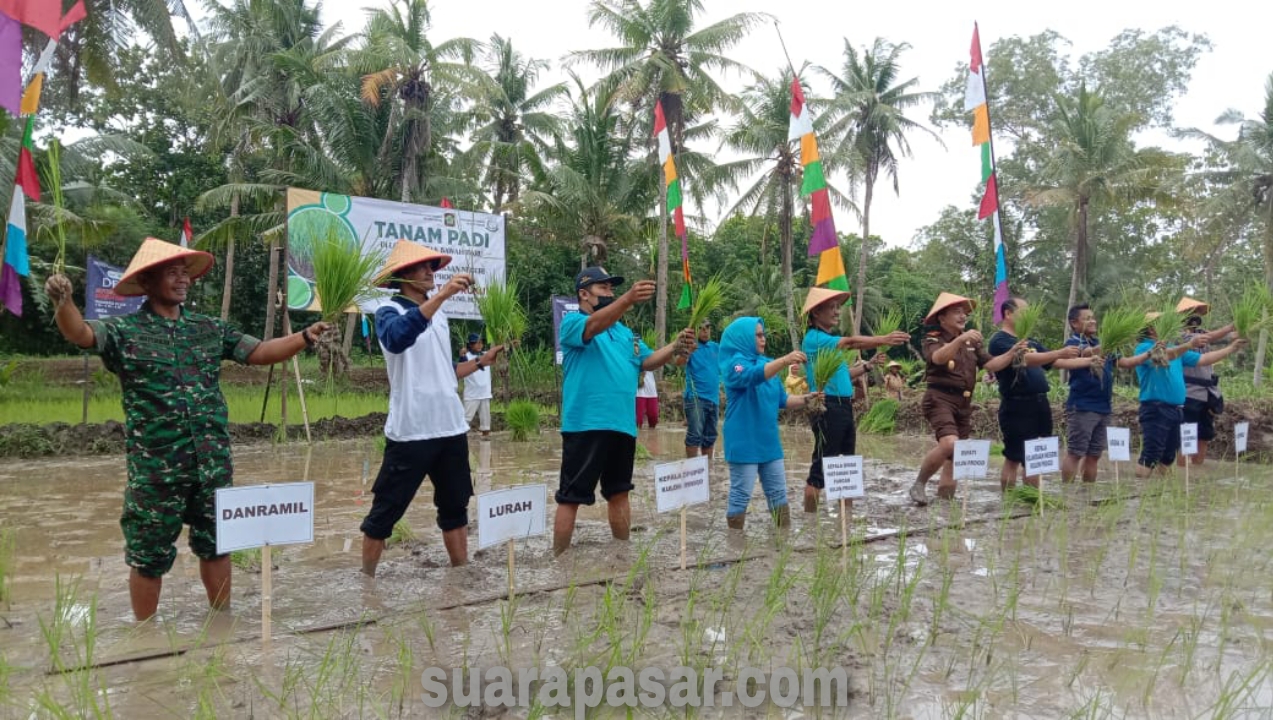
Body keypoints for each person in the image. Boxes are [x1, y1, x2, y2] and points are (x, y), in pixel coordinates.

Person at [43, 237, 331, 621]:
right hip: (155, 472)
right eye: (172, 273)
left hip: (211, 464)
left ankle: (221, 625)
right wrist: (64, 303)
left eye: (185, 273)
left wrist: (305, 337)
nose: (183, 280)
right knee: (148, 557)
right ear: (146, 282)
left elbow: (259, 352)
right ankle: (145, 638)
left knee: (217, 546)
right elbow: (80, 333)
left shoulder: (208, 329)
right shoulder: (124, 331)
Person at [359, 240, 504, 577]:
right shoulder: (388, 311)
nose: (431, 272)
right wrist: (441, 298)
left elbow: (446, 370)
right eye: (423, 267)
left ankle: (461, 573)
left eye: (433, 266)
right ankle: (366, 582)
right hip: (411, 431)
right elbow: (398, 338)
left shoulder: (439, 317)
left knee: (455, 507)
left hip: (451, 428)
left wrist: (481, 362)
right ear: (402, 275)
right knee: (385, 511)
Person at [553, 267, 693, 555]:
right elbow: (592, 328)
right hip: (586, 425)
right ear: (583, 294)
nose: (610, 292)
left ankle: (622, 556)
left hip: (622, 425)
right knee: (571, 497)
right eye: (603, 288)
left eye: (612, 288)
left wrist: (676, 346)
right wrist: (628, 299)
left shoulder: (626, 333)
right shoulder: (573, 323)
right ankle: (559, 562)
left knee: (619, 492)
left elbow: (649, 360)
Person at [800, 288, 911, 512]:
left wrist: (867, 366)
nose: (837, 312)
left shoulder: (829, 343)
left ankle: (846, 520)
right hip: (827, 406)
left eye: (837, 307)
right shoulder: (814, 339)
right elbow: (850, 342)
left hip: (842, 406)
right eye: (831, 307)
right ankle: (810, 522)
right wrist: (883, 339)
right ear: (815, 313)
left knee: (846, 464)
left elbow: (843, 376)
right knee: (821, 467)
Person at [908, 292, 1022, 506]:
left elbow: (991, 365)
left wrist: (1013, 352)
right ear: (942, 318)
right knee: (951, 444)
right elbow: (938, 358)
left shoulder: (973, 344)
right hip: (939, 398)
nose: (963, 316)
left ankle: (945, 503)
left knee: (956, 457)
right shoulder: (933, 337)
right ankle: (919, 484)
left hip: (964, 403)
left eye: (964, 313)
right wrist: (961, 339)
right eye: (957, 312)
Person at [719, 317, 816, 530]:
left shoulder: (767, 364)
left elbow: (783, 400)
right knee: (741, 494)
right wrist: (784, 361)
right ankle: (735, 543)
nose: (763, 339)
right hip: (743, 442)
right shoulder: (733, 365)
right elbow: (750, 376)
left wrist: (807, 399)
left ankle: (783, 542)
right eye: (758, 335)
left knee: (779, 493)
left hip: (769, 441)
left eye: (764, 334)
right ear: (743, 338)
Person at [1134, 312, 1243, 477]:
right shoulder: (1144, 348)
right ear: (1150, 329)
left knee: (1168, 456)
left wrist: (1232, 348)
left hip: (1177, 409)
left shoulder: (1174, 348)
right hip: (1156, 408)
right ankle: (1139, 491)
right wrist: (1189, 344)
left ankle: (1159, 494)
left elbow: (1204, 359)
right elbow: (1163, 356)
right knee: (1151, 454)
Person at [988, 298, 1079, 490]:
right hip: (1017, 405)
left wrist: (1089, 361)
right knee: (1014, 456)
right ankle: (1008, 501)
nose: (1029, 316)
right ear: (1008, 314)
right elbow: (1027, 359)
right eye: (1024, 311)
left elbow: (1056, 362)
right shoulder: (1000, 340)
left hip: (1039, 402)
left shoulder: (1031, 341)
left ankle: (1032, 499)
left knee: (1036, 456)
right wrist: (1058, 352)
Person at [1056, 304, 1152, 482]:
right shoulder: (1074, 342)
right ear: (1074, 323)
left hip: (1103, 408)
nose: (1093, 321)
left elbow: (1127, 362)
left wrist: (1149, 354)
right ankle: (1067, 493)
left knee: (1094, 455)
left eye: (1093, 317)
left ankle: (1087, 493)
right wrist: (1108, 343)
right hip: (1082, 407)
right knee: (1076, 452)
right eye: (1087, 318)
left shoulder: (1101, 343)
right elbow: (1085, 353)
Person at [1176, 297, 1237, 466]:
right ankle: (1182, 473)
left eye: (1197, 312)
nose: (1194, 316)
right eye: (1190, 313)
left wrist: (1242, 331)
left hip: (1208, 393)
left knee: (1205, 434)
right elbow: (1212, 337)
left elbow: (1226, 338)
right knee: (1187, 435)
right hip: (1189, 392)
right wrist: (1230, 326)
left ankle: (1197, 473)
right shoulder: (1177, 336)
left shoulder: (1203, 333)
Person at [674, 321, 720, 462]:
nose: (705, 331)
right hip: (696, 398)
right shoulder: (691, 346)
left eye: (707, 328)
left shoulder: (716, 348)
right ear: (695, 331)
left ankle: (708, 469)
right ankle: (692, 470)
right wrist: (689, 352)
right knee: (695, 435)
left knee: (710, 436)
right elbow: (678, 362)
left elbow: (730, 365)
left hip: (714, 399)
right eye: (701, 328)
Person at [459, 333, 493, 439]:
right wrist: (461, 355)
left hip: (485, 393)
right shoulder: (467, 357)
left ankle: (486, 439)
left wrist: (509, 346)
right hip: (472, 393)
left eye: (481, 342)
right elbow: (461, 365)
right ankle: (459, 437)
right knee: (466, 418)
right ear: (471, 345)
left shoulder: (486, 355)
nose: (479, 345)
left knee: (486, 420)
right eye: (476, 343)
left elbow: (497, 351)